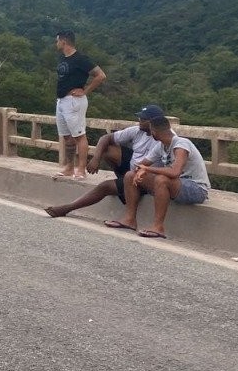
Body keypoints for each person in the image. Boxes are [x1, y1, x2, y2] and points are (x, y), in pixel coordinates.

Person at [43, 104, 165, 218]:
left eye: (143, 119)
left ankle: (68, 208)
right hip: (134, 168)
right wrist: (96, 159)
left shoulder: (163, 138)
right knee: (108, 149)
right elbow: (106, 138)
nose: (139, 121)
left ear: (152, 122)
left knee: (105, 186)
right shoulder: (137, 131)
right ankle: (123, 180)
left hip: (145, 177)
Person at [108, 115, 211, 239]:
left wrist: (147, 169)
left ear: (154, 132)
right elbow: (141, 164)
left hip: (196, 188)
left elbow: (175, 172)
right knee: (130, 175)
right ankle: (130, 219)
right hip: (176, 185)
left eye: (151, 132)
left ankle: (158, 227)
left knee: (161, 180)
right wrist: (140, 170)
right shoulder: (161, 146)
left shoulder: (181, 144)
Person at [53, 31, 107, 180]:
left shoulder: (80, 59)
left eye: (57, 41)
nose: (56, 43)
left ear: (64, 41)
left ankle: (81, 169)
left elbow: (100, 75)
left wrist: (86, 91)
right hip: (61, 101)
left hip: (74, 101)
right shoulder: (62, 58)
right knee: (66, 136)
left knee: (79, 135)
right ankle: (69, 168)